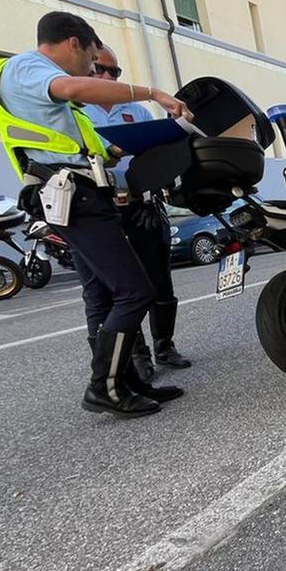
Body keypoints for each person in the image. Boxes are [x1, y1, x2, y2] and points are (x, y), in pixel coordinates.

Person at [0, 11, 190, 418]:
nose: (93, 69)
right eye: (93, 59)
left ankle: (128, 381)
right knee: (134, 291)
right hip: (72, 195)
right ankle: (105, 387)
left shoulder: (53, 98)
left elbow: (102, 149)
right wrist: (153, 92)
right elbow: (72, 85)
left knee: (111, 292)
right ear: (74, 43)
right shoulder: (28, 66)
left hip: (84, 193)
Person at [82, 45, 191, 382]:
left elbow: (155, 155)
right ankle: (136, 355)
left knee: (159, 279)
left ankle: (164, 344)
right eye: (99, 69)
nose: (107, 77)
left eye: (114, 72)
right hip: (99, 208)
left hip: (141, 203)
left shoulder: (137, 112)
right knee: (122, 287)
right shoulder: (77, 110)